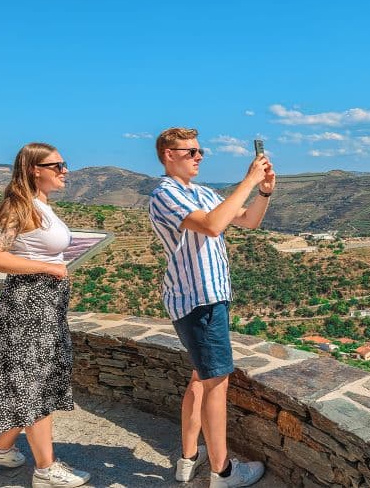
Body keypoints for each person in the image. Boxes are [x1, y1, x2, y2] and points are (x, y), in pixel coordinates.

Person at [148, 127, 275, 487]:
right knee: (216, 383)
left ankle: (188, 458)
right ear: (168, 155)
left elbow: (248, 220)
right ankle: (223, 472)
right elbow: (213, 225)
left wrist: (264, 190)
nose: (199, 156)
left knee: (200, 379)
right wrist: (249, 179)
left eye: (200, 150)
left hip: (207, 296)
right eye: (190, 152)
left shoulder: (201, 192)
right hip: (198, 299)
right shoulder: (164, 194)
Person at [0, 142, 90, 488]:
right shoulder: (18, 207)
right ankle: (45, 470)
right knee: (36, 383)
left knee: (37, 379)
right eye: (57, 165)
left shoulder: (40, 205)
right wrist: (44, 267)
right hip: (29, 306)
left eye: (63, 164)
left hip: (45, 304)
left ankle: (0, 448)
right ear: (33, 170)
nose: (65, 171)